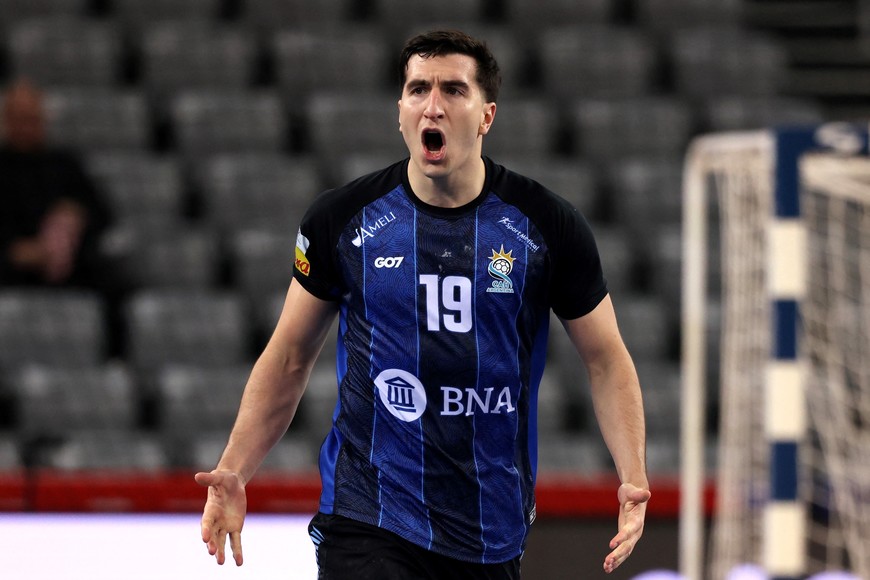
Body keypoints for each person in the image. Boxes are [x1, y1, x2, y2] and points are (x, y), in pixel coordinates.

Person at [196, 29, 650, 578]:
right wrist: (235, 470)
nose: (432, 106)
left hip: (491, 530)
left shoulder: (547, 225)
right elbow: (289, 356)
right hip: (370, 517)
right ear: (401, 111)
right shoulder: (342, 219)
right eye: (418, 90)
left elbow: (605, 359)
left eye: (454, 91)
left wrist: (632, 475)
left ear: (487, 115)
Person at [0, 79, 110, 287]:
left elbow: (101, 214)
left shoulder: (65, 165)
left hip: (67, 270)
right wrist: (14, 251)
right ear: (7, 120)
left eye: (32, 119)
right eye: (19, 119)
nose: (26, 127)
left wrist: (76, 214)